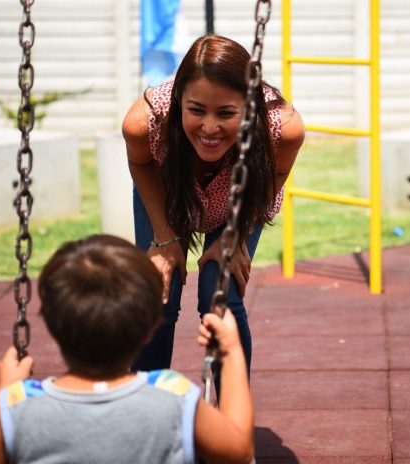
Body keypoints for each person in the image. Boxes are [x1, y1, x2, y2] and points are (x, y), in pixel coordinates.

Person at [0, 234, 254, 464]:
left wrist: (3, 395)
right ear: (149, 329)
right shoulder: (173, 396)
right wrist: (231, 352)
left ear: (53, 329)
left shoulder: (20, 405)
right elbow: (239, 451)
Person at [122, 34, 304, 374]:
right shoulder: (145, 121)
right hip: (168, 190)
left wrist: (234, 238)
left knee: (219, 294)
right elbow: (142, 164)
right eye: (196, 110)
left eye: (226, 113)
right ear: (178, 102)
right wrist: (165, 238)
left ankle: (232, 417)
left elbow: (275, 174)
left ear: (248, 108)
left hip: (240, 196)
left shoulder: (282, 127)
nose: (209, 127)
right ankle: (149, 411)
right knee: (158, 290)